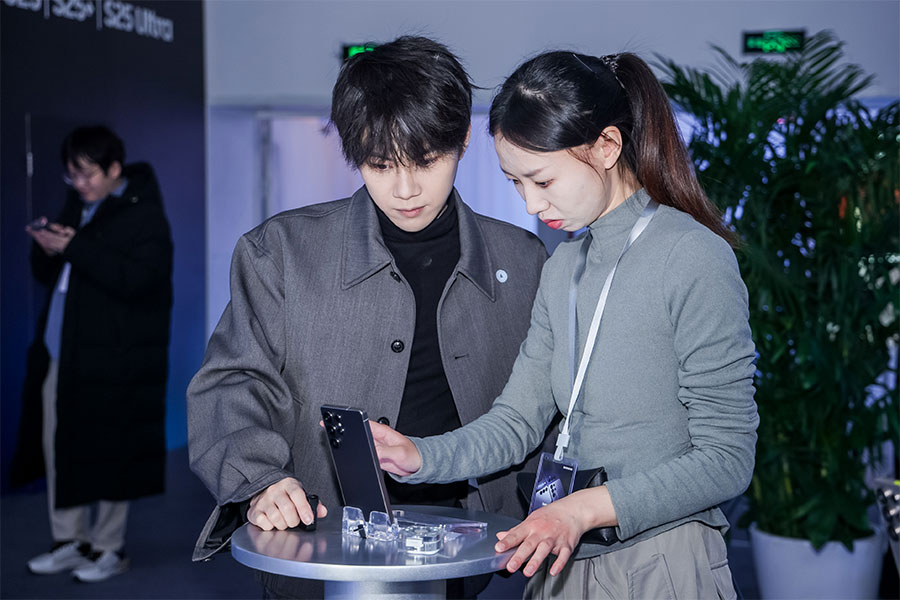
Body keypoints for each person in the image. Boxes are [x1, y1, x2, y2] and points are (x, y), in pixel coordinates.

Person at [372, 50, 759, 599]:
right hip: (562, 557)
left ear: (606, 146)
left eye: (543, 180)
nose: (532, 204)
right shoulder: (564, 267)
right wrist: (418, 456)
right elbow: (517, 421)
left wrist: (583, 509)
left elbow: (726, 460)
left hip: (662, 560)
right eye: (515, 183)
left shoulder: (691, 256)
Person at [186, 36, 548, 599]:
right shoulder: (281, 252)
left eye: (426, 161)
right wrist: (259, 481)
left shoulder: (523, 260)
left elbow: (549, 410)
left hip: (467, 544)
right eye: (380, 165)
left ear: (462, 139)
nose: (405, 190)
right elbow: (233, 382)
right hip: (317, 543)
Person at [15, 125, 173, 582]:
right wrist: (47, 247)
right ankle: (69, 541)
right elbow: (50, 276)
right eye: (73, 175)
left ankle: (108, 547)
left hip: (112, 358)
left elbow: (140, 280)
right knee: (58, 447)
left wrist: (75, 247)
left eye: (88, 174)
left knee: (110, 451)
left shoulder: (143, 213)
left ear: (114, 169)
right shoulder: (77, 205)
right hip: (61, 351)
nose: (79, 184)